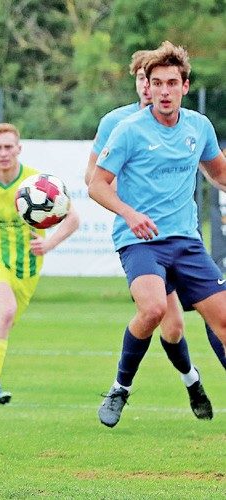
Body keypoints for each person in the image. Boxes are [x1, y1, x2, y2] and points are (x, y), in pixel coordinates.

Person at [89, 41, 226, 427]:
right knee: (153, 309)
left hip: (186, 241)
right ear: (147, 86)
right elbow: (97, 185)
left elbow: (219, 174)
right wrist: (129, 213)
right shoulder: (128, 130)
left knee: (223, 322)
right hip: (141, 241)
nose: (164, 91)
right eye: (158, 83)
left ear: (185, 86)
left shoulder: (199, 127)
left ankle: (193, 382)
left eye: (172, 83)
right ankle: (120, 387)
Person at [0, 123, 80, 406]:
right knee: (5, 310)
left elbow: (73, 218)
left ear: (19, 148)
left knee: (0, 326)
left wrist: (49, 244)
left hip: (27, 268)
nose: (3, 153)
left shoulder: (37, 182)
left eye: (9, 147)